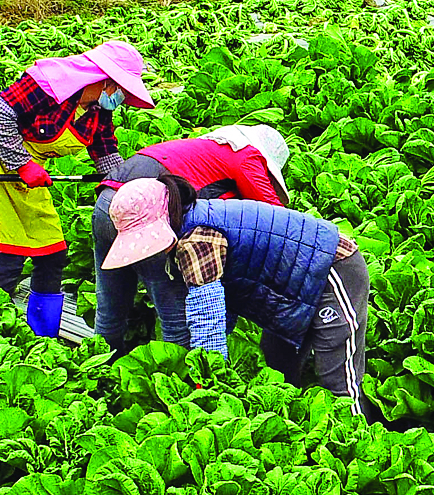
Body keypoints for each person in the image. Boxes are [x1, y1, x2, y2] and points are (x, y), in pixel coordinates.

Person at [100, 175, 370, 417]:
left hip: (333, 268)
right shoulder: (193, 221)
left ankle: (360, 444)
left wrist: (209, 385)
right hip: (287, 290)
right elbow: (223, 306)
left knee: (338, 383)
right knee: (277, 374)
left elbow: (208, 318)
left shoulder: (197, 239)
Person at [0, 40, 153, 339]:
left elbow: (105, 151)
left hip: (21, 184)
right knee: (7, 262)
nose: (121, 98)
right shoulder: (48, 87)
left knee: (53, 254)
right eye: (121, 90)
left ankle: (42, 336)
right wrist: (22, 164)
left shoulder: (97, 111)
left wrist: (124, 185)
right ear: (105, 81)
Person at [91, 125, 292, 348]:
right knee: (176, 316)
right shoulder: (247, 157)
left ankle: (99, 371)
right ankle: (183, 377)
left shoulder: (203, 148)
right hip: (148, 217)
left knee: (110, 306)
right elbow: (277, 217)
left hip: (106, 205)